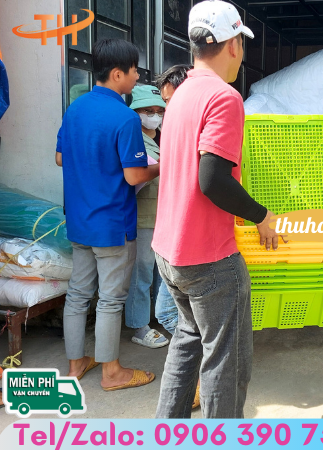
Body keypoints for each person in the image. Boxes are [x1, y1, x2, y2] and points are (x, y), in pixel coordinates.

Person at [152, 0, 281, 419]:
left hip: (169, 252)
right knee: (226, 362)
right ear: (233, 45)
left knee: (187, 341)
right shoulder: (224, 98)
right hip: (208, 258)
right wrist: (262, 215)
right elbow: (212, 180)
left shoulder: (180, 95)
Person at [56, 39, 158, 391]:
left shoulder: (75, 109)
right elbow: (133, 176)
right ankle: (111, 373)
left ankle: (75, 366)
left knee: (78, 294)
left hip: (79, 220)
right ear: (117, 74)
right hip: (113, 225)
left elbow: (60, 158)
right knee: (111, 300)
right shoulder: (125, 117)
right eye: (134, 71)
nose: (136, 77)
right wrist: (161, 166)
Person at [124, 85, 170, 349]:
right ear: (136, 112)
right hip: (143, 217)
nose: (154, 116)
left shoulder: (165, 136)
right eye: (148, 111)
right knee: (141, 273)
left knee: (162, 274)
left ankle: (159, 317)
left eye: (159, 111)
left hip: (165, 217)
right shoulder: (133, 139)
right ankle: (139, 326)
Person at [152, 64, 193, 336]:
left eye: (169, 101)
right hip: (171, 238)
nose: (167, 110)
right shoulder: (172, 130)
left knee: (169, 314)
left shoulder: (193, 129)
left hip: (185, 240)